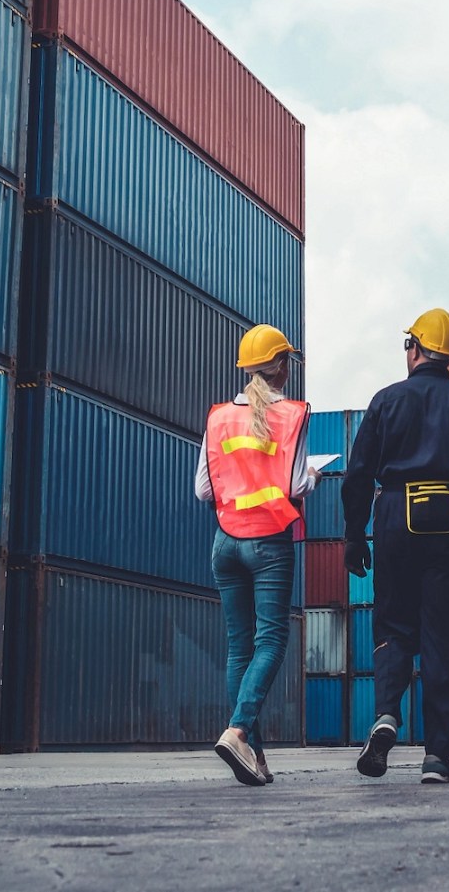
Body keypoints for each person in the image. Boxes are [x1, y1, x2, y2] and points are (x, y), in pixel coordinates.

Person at [341, 308, 449, 784]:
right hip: (448, 522)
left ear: (414, 349)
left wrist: (354, 536)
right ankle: (438, 756)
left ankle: (386, 714)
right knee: (447, 637)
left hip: (395, 518)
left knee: (394, 625)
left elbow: (358, 476)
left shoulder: (385, 401)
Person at [196, 323, 314, 786]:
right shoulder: (292, 416)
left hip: (225, 542)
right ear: (282, 366)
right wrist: (314, 478)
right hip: (268, 543)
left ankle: (255, 757)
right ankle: (239, 730)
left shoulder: (219, 418)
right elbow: (297, 483)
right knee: (271, 641)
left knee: (239, 646)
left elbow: (204, 490)